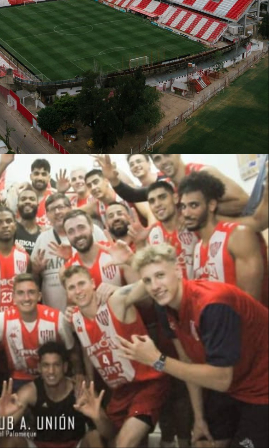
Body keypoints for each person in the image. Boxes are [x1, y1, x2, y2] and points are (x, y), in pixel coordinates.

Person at [118, 244, 269, 448]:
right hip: (233, 386)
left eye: (160, 275)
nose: (154, 286)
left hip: (260, 387)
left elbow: (222, 378)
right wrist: (199, 419)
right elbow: (187, 362)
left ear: (178, 271)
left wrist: (157, 360)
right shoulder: (165, 306)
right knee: (202, 443)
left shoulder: (212, 304)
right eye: (147, 280)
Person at [62, 264, 168, 447]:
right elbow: (89, 350)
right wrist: (88, 381)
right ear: (67, 294)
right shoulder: (75, 319)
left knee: (123, 444)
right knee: (102, 439)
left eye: (81, 283)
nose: (78, 291)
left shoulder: (115, 301)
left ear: (93, 283)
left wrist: (120, 286)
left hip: (147, 383)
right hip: (119, 391)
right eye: (72, 287)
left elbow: (152, 283)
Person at [0, 343, 110, 448]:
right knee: (10, 440)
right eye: (46, 365)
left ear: (65, 367)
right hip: (39, 445)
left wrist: (98, 418)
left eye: (56, 365)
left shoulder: (81, 390)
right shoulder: (30, 391)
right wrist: (1, 419)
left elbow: (110, 434)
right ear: (39, 368)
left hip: (75, 444)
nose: (51, 371)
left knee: (94, 436)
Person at [178, 171, 268, 305]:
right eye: (183, 206)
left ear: (211, 205)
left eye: (194, 205)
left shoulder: (238, 235)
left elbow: (250, 303)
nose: (186, 213)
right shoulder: (197, 247)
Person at [0, 274, 78, 388]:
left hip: (53, 376)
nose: (26, 298)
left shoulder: (57, 319)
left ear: (39, 296)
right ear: (13, 298)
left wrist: (79, 374)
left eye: (31, 292)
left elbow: (72, 351)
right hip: (20, 378)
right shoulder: (3, 320)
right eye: (21, 293)